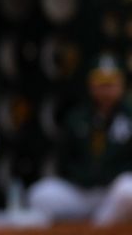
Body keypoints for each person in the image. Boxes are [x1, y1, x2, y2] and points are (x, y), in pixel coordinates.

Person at [28, 54, 132, 226]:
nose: (105, 89)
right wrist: (84, 175)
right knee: (40, 195)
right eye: (101, 83)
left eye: (111, 83)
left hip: (112, 191)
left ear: (122, 84)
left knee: (128, 190)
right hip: (81, 191)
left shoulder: (129, 117)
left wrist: (107, 174)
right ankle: (78, 233)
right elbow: (64, 162)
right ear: (91, 84)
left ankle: (99, 229)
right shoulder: (77, 117)